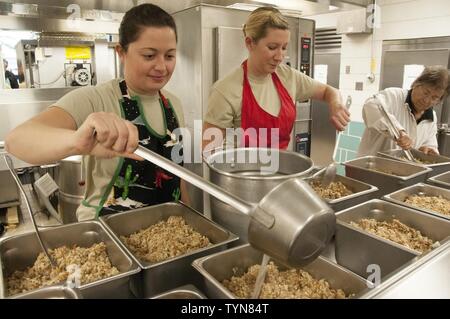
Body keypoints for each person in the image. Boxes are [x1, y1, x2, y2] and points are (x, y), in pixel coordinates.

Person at [5, 4, 189, 221]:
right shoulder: (95, 99)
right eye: (149, 56)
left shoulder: (173, 104)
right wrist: (76, 141)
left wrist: (188, 214)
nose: (162, 67)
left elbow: (179, 176)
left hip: (168, 233)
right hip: (108, 232)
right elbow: (16, 140)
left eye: (169, 56)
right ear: (121, 52)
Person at [202, 7, 350, 151]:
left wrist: (335, 103)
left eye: (284, 48)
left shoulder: (288, 77)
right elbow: (208, 152)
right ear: (249, 43)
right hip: (241, 174)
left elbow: (328, 91)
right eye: (272, 47)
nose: (280, 57)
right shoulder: (226, 90)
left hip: (280, 172)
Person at [358, 65, 449, 157]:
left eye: (435, 98)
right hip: (371, 167)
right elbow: (370, 106)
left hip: (404, 170)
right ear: (416, 83)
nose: (427, 100)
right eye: (426, 93)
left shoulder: (432, 117)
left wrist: (426, 149)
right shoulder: (393, 96)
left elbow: (429, 144)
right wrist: (399, 132)